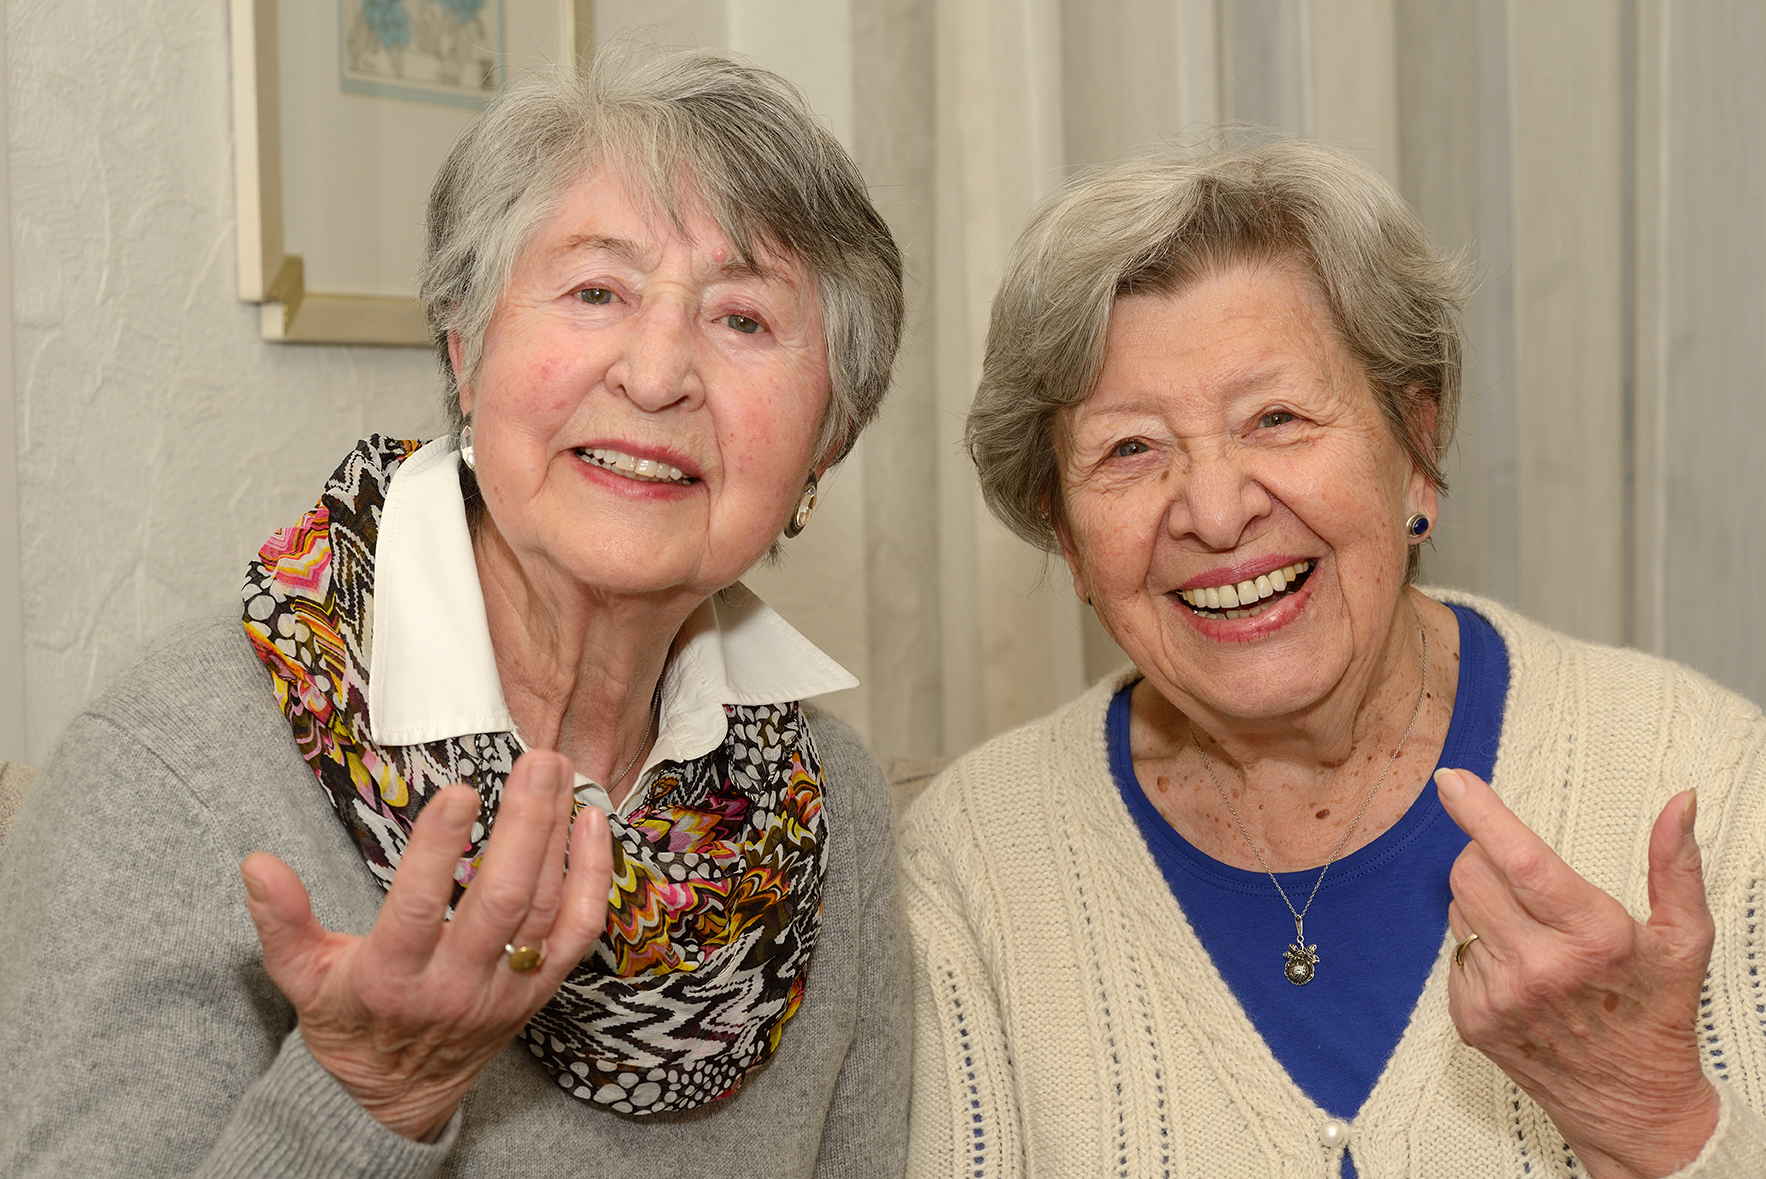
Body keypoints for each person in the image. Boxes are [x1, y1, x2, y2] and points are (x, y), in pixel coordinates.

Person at [0, 52, 908, 1177]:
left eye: (742, 318)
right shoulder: (178, 762)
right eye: (596, 291)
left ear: (826, 441)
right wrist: (370, 1099)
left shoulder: (826, 811)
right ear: (464, 347)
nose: (659, 371)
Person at [901, 141, 1766, 1178]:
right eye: (1129, 449)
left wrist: (1653, 1124)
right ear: (1065, 534)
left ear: (1414, 446)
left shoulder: (1707, 784)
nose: (1216, 513)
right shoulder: (974, 863)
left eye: (1275, 419)